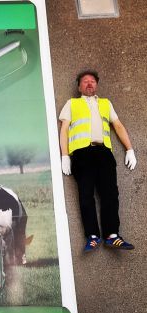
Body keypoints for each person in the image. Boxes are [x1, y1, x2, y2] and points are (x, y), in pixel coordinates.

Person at [59, 70, 136, 252]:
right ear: (79, 87)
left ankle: (112, 235)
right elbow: (64, 130)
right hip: (81, 153)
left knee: (110, 193)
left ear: (97, 85)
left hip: (103, 153)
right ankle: (92, 236)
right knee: (86, 195)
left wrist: (129, 149)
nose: (89, 84)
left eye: (92, 81)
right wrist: (65, 155)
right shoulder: (72, 104)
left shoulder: (105, 103)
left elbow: (117, 125)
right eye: (85, 81)